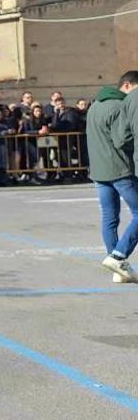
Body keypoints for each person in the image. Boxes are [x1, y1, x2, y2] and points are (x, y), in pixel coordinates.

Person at [92, 71, 138, 283]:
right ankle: (118, 256)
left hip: (99, 171)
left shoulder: (95, 105)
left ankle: (118, 269)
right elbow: (122, 139)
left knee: (110, 217)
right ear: (127, 86)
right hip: (120, 169)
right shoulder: (121, 106)